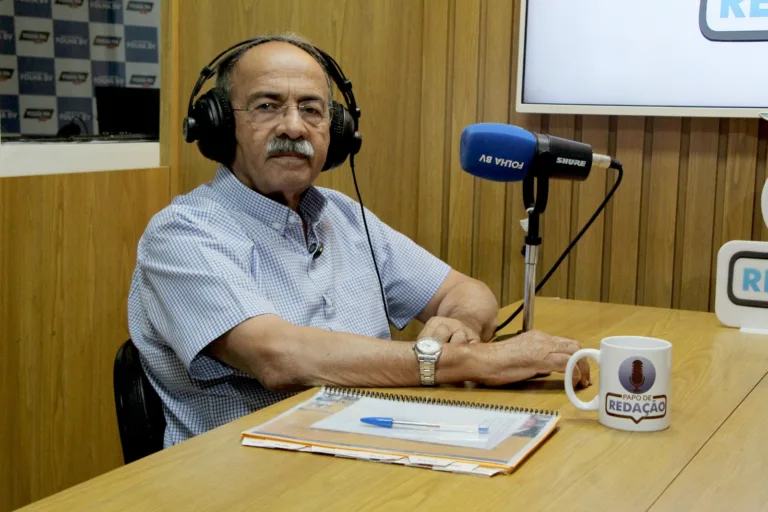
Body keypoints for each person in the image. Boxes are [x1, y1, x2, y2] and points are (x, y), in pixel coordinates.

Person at [127, 33, 591, 448]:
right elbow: (278, 358)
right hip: (247, 483)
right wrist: (474, 362)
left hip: (370, 452)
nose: (293, 127)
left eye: (311, 109)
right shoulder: (182, 233)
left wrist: (461, 327)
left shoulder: (344, 216)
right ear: (219, 126)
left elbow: (465, 291)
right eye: (267, 106)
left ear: (339, 132)